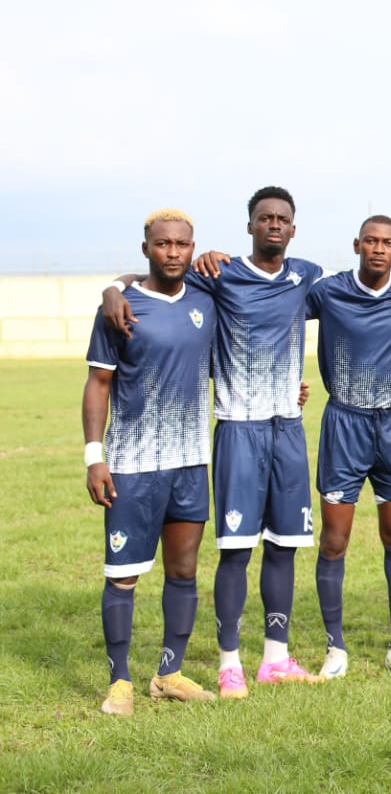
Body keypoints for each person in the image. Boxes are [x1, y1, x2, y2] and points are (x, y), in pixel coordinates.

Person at [100, 186, 391, 698]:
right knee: (236, 549)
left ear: (293, 230)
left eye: (282, 218)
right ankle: (229, 664)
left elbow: (367, 275)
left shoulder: (307, 277)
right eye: (265, 217)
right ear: (250, 225)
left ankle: (275, 658)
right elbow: (156, 279)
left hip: (288, 429)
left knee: (285, 545)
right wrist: (112, 288)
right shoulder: (219, 274)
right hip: (238, 428)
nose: (274, 224)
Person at [84, 208, 216, 715]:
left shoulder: (205, 301)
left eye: (181, 244)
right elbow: (98, 383)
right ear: (147, 250)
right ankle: (119, 682)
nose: (173, 252)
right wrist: (95, 458)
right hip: (133, 464)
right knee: (124, 575)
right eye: (163, 244)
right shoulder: (120, 307)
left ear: (192, 247)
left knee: (183, 571)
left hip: (190, 461)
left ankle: (168, 673)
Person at [308, 215, 391, 680]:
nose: (379, 249)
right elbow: (273, 307)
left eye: (388, 244)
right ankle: (335, 647)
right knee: (335, 540)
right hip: (344, 422)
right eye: (371, 241)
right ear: (357, 245)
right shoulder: (329, 291)